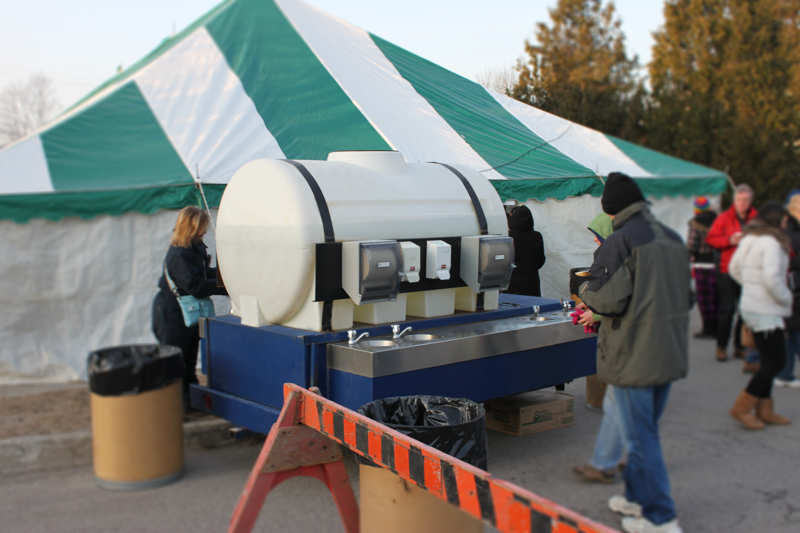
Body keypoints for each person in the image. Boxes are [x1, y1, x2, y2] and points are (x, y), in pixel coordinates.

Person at [579, 172, 688, 533]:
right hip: (668, 352)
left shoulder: (621, 241)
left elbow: (607, 298)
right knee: (642, 433)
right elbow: (684, 297)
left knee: (641, 439)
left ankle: (660, 517)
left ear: (611, 211)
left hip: (633, 356)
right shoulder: (672, 238)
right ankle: (635, 499)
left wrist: (583, 288)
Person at [152, 206, 227, 409]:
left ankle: (189, 401)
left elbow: (203, 275)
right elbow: (196, 286)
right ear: (192, 227)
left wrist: (225, 275)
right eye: (202, 226)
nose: (205, 230)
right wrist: (225, 286)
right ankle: (176, 405)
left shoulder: (193, 247)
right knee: (177, 360)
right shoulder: (179, 254)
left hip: (185, 312)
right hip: (173, 315)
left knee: (190, 357)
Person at [573, 212, 628, 484]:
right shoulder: (628, 252)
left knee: (622, 402)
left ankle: (615, 463)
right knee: (623, 404)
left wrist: (594, 312)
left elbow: (622, 300)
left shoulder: (622, 258)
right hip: (633, 343)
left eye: (598, 235)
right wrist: (592, 307)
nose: (595, 240)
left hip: (631, 343)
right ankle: (615, 461)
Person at [728, 202, 793, 428]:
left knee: (768, 359)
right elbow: (773, 279)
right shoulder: (772, 243)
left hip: (753, 306)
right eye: (784, 219)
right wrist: (787, 298)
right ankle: (743, 407)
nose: (787, 222)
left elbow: (733, 268)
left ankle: (765, 408)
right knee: (776, 361)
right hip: (767, 309)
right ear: (777, 220)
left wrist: (751, 288)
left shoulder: (750, 238)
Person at [706, 184, 758, 361]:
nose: (742, 203)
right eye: (738, 200)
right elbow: (711, 238)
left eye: (745, 200)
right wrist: (729, 240)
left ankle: (740, 346)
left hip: (749, 270)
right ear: (734, 201)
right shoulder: (724, 218)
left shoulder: (756, 218)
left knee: (745, 311)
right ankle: (721, 346)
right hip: (726, 269)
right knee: (726, 310)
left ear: (750, 201)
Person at [775, 190, 800, 388]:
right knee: (793, 331)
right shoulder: (790, 233)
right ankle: (784, 373)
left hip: (788, 288)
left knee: (791, 332)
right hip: (793, 287)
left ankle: (784, 373)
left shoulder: (786, 231)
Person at [687, 196, 718, 338]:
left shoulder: (696, 223)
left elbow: (692, 245)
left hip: (701, 264)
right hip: (716, 263)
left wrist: (687, 256)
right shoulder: (717, 220)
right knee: (715, 298)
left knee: (704, 299)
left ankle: (707, 329)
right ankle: (716, 328)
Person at [506, 205, 545, 296]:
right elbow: (540, 260)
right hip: (531, 282)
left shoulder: (508, 237)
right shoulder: (536, 236)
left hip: (512, 283)